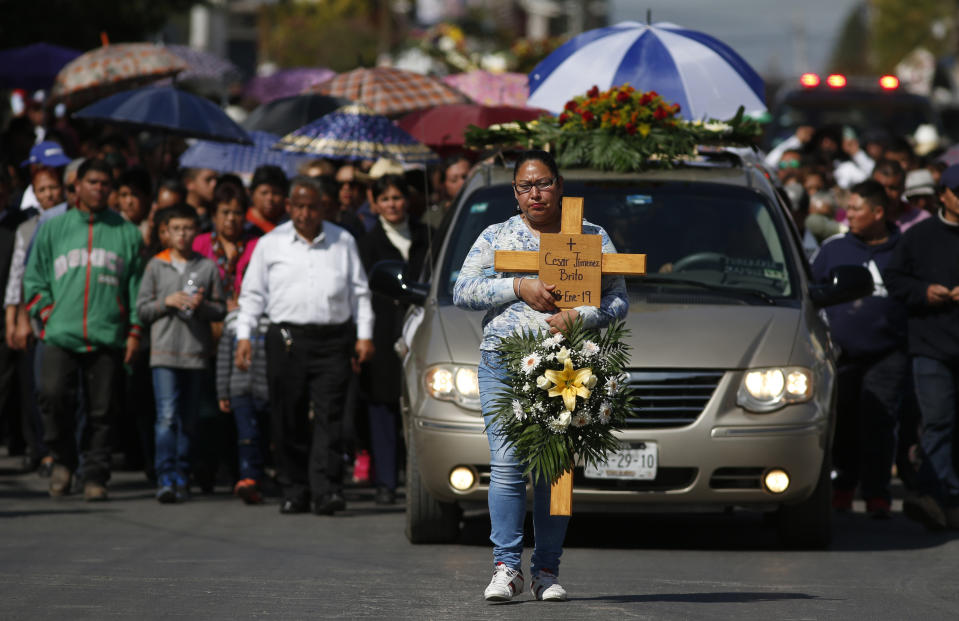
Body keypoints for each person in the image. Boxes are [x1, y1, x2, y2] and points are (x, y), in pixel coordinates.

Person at [452, 150, 628, 602]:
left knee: (555, 472)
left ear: (560, 184)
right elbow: (462, 290)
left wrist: (582, 317)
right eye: (525, 186)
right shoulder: (498, 236)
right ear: (515, 193)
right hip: (504, 365)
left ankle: (546, 570)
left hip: (568, 367)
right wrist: (517, 286)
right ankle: (506, 568)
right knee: (508, 467)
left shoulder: (590, 236)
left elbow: (618, 299)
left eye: (543, 183)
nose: (535, 193)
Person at [235, 176, 375, 515]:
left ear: (322, 206)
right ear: (289, 207)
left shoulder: (343, 241)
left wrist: (365, 334)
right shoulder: (270, 243)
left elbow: (359, 291)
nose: (305, 213)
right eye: (298, 206)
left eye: (312, 206)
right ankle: (294, 488)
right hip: (286, 340)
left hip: (333, 340)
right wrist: (244, 335)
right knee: (288, 414)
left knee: (332, 416)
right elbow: (252, 294)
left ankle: (326, 489)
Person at [22, 158, 144, 501]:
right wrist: (48, 312)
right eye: (93, 182)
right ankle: (62, 461)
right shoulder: (53, 229)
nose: (99, 189)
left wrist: (134, 330)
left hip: (107, 334)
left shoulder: (126, 233)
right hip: (60, 333)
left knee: (103, 410)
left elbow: (135, 288)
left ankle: (95, 475)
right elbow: (34, 279)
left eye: (106, 184)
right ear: (76, 185)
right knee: (51, 394)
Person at [811, 180, 908, 518]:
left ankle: (877, 493)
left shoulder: (904, 248)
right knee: (845, 422)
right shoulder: (833, 248)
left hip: (888, 352)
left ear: (878, 212)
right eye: (847, 208)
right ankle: (843, 486)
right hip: (842, 354)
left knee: (880, 422)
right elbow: (811, 289)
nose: (848, 215)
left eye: (856, 209)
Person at [886, 163, 959, 530]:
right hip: (931, 345)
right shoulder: (919, 236)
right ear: (943, 195)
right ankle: (936, 494)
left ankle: (946, 496)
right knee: (938, 421)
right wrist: (924, 292)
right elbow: (895, 280)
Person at [136, 203, 225, 502]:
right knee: (166, 417)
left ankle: (183, 474)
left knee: (189, 419)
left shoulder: (206, 266)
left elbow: (220, 309)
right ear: (166, 232)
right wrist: (167, 302)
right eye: (176, 229)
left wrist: (202, 307)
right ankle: (165, 475)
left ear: (195, 231)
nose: (182, 234)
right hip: (163, 353)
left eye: (188, 228)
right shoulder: (155, 265)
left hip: (194, 352)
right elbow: (142, 309)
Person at [358, 175, 431, 505]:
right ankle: (386, 481)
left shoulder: (427, 234)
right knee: (383, 405)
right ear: (374, 203)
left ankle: (421, 477)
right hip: (382, 329)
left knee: (422, 402)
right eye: (384, 199)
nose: (392, 204)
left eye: (397, 197)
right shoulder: (367, 241)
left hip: (423, 326)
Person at [193, 180, 258, 311]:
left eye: (237, 213)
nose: (231, 218)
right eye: (225, 212)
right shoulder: (199, 243)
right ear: (214, 215)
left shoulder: (257, 246)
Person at [422, 155, 470, 230]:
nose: (462, 182)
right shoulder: (432, 217)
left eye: (465, 177)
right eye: (454, 180)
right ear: (443, 185)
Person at [245, 165, 288, 237]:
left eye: (275, 193)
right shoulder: (243, 221)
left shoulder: (289, 223)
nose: (270, 198)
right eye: (264, 193)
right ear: (252, 194)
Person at [181, 167, 218, 233]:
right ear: (189, 183)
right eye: (208, 180)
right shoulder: (177, 215)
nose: (214, 184)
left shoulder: (216, 214)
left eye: (216, 179)